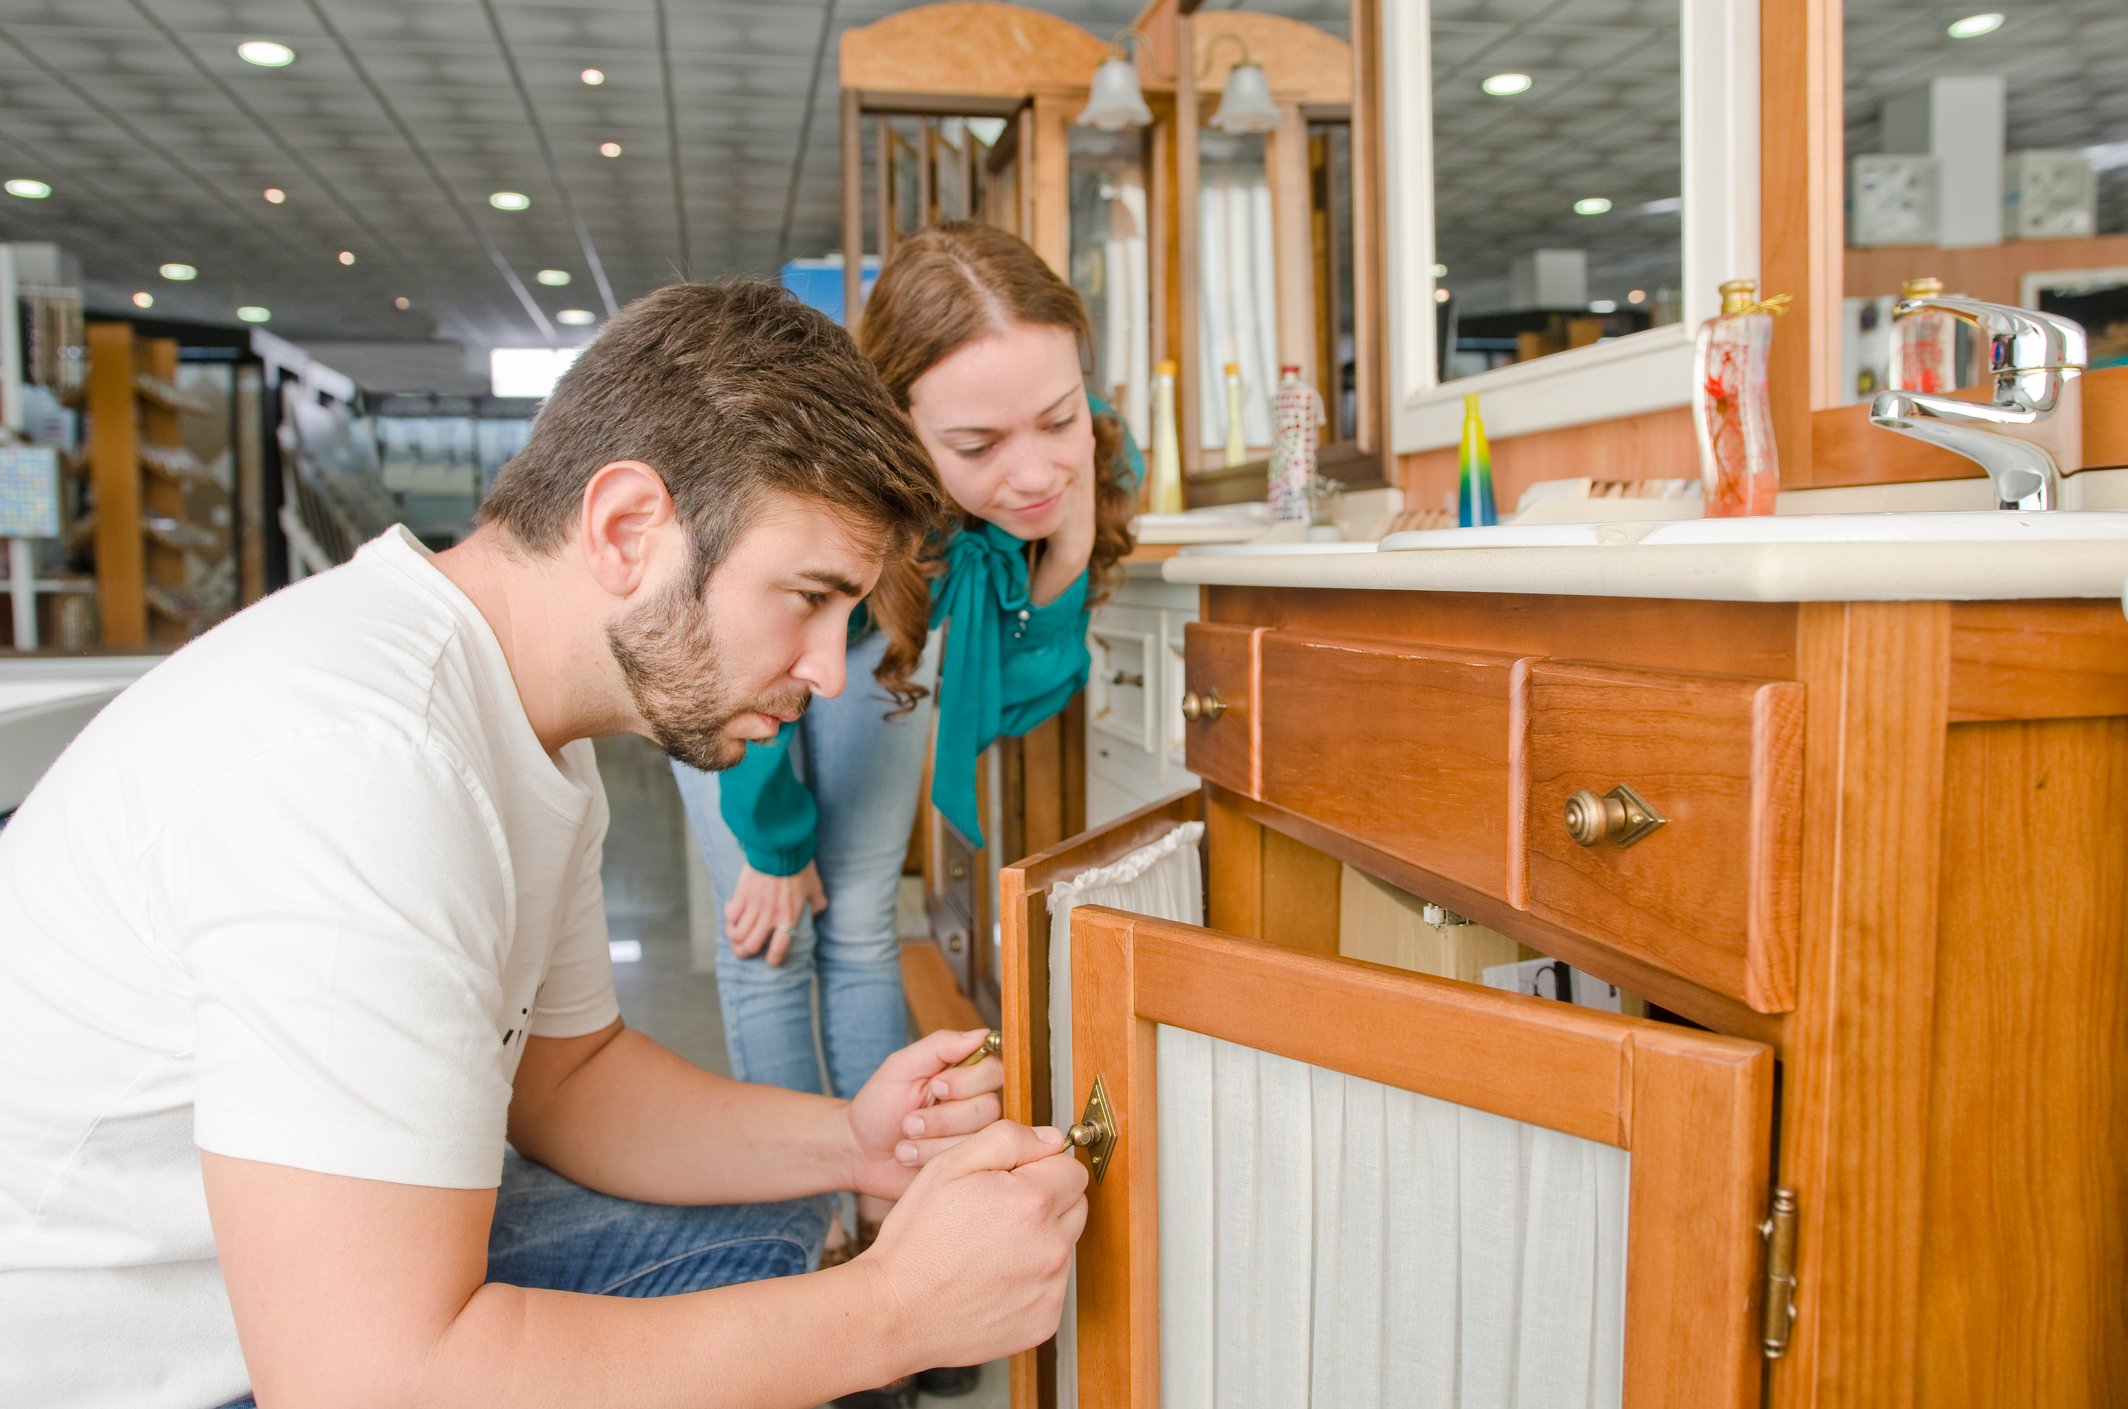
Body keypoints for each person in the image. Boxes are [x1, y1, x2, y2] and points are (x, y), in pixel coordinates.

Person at [0, 280, 1089, 1409]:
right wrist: (892, 1313)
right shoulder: (363, 763)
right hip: (142, 1365)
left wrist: (853, 1146)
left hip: (252, 1299)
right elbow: (361, 1382)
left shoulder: (522, 725)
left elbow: (567, 1081)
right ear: (625, 528)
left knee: (783, 1227)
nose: (825, 669)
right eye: (806, 597)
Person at [669, 225, 1138, 1330]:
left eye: (1060, 419)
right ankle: (806, 1232)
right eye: (978, 443)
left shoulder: (1037, 481)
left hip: (885, 633)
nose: (1032, 471)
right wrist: (773, 842)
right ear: (895, 424)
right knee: (768, 936)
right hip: (725, 682)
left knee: (865, 921)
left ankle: (901, 1216)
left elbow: (1009, 693)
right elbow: (746, 675)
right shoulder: (809, 479)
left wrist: (1064, 554)